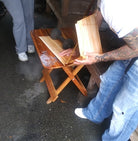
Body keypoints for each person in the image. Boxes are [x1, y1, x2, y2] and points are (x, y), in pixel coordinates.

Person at [60, 0, 138, 140]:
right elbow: (95, 20)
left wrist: (99, 58)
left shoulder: (114, 8)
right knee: (109, 81)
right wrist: (80, 49)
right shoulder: (104, 3)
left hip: (135, 48)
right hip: (133, 45)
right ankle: (95, 114)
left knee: (123, 109)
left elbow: (135, 48)